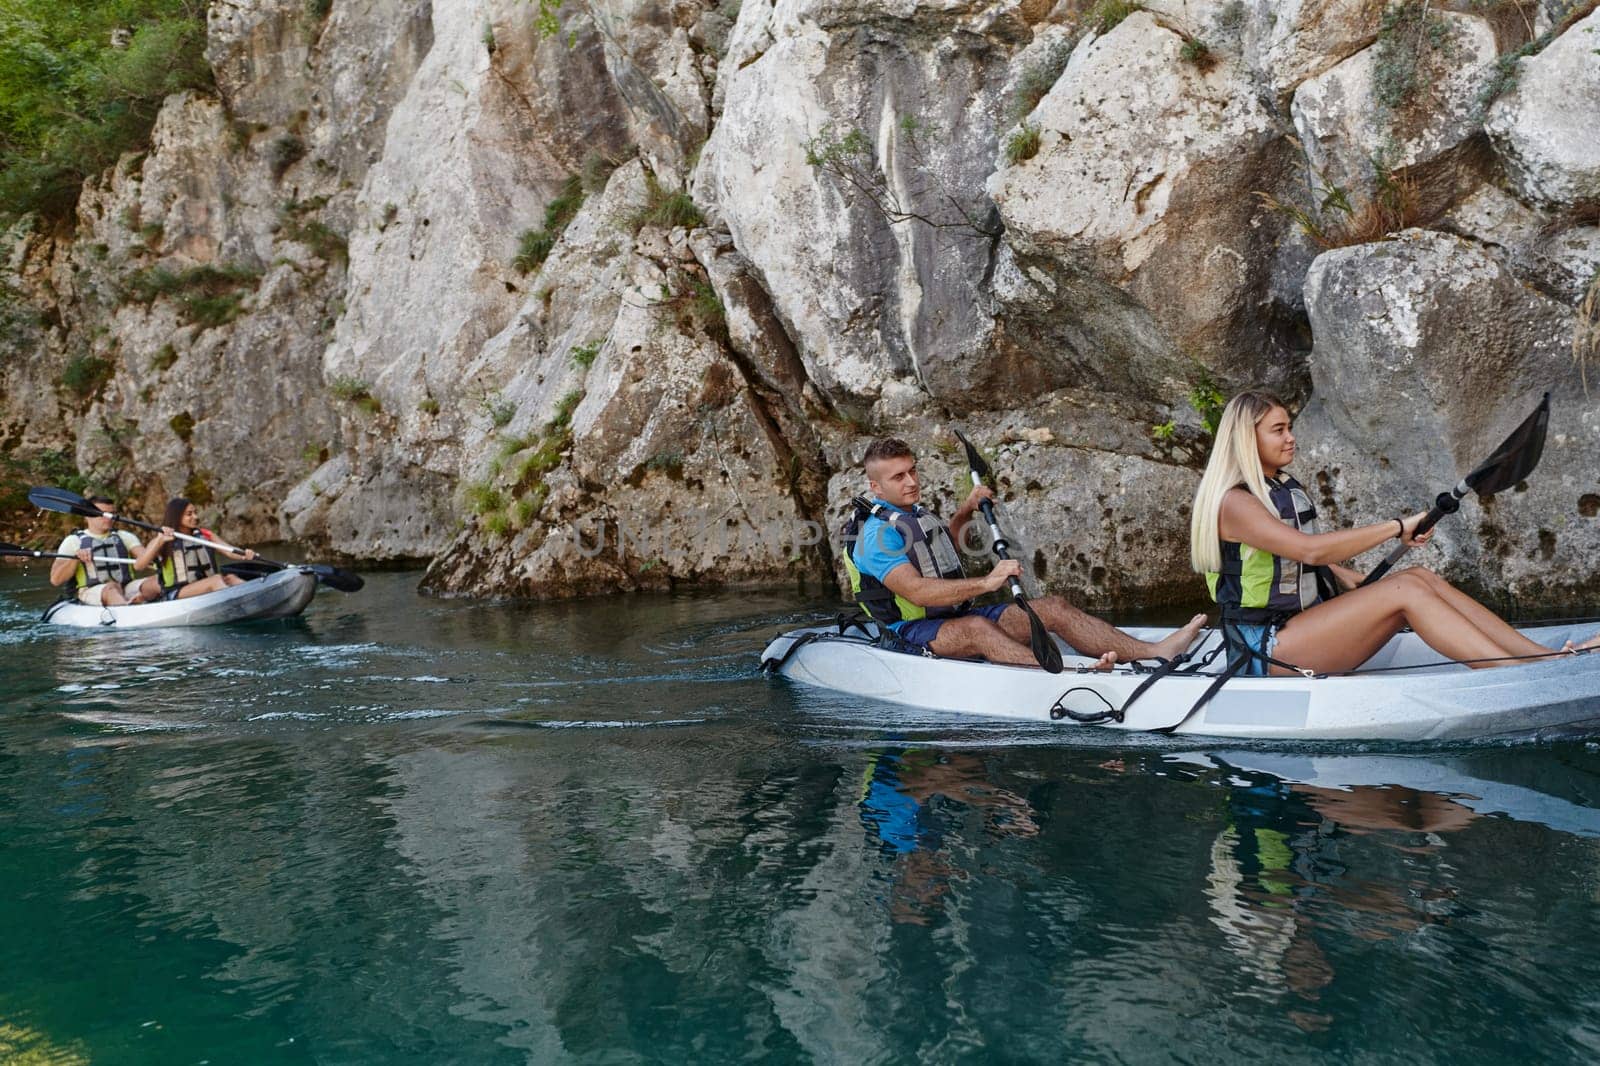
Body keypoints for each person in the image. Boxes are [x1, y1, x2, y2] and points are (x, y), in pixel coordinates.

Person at [1188, 390, 1600, 675]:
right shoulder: (1235, 502)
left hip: (1298, 627)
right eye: (1278, 430)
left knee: (1417, 577)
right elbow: (1307, 550)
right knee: (1405, 594)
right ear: (1247, 438)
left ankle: (1545, 659)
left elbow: (1302, 561)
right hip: (1263, 648)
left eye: (1289, 426)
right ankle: (1517, 676)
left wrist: (1348, 579)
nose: (1291, 437)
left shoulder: (1278, 486)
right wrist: (1395, 528)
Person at [845, 437, 1206, 667]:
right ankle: (1072, 671)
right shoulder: (875, 536)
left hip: (950, 618)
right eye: (898, 477)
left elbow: (943, 552)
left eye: (912, 471)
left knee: (1053, 608)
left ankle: (1154, 652)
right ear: (875, 486)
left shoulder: (914, 514)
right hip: (910, 632)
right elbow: (916, 590)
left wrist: (967, 508)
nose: (911, 482)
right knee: (977, 627)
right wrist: (988, 582)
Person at [131, 497, 256, 601]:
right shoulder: (162, 539)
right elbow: (138, 566)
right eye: (189, 514)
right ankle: (237, 604)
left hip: (204, 586)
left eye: (195, 512)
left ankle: (254, 599)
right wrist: (159, 542)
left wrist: (244, 555)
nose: (195, 517)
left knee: (231, 578)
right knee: (216, 580)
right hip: (177, 593)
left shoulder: (205, 535)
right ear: (176, 517)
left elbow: (229, 550)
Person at [48, 496, 146, 606]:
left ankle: (137, 602)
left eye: (112, 513)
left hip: (126, 587)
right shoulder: (73, 541)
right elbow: (55, 580)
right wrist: (75, 559)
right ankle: (126, 607)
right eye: (102, 514)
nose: (109, 518)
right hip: (91, 591)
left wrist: (159, 541)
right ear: (87, 516)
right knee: (111, 587)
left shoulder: (124, 536)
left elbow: (146, 558)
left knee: (153, 582)